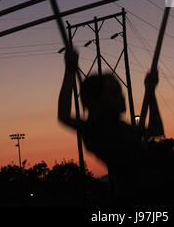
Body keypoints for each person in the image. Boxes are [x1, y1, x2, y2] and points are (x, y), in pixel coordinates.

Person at [58, 47, 164, 202]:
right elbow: (64, 115)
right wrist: (69, 70)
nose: (122, 97)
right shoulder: (97, 130)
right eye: (115, 93)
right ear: (96, 102)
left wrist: (151, 91)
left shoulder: (121, 127)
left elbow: (156, 130)